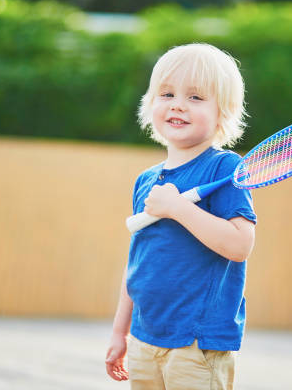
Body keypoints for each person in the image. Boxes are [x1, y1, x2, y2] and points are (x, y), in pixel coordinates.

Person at [105, 43, 257, 389]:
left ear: (224, 113)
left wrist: (178, 208)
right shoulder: (146, 181)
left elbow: (239, 245)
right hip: (145, 338)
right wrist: (120, 332)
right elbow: (137, 263)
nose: (177, 104)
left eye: (195, 98)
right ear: (151, 104)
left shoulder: (226, 168)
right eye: (167, 94)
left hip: (196, 344)